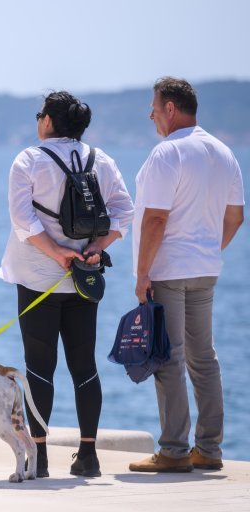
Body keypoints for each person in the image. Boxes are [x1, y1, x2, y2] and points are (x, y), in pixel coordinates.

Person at [0, 91, 134, 478]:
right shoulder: (100, 160)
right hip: (83, 279)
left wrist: (56, 252)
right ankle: (88, 455)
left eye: (40, 114)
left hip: (38, 279)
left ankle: (39, 458)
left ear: (48, 121)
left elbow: (23, 221)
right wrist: (95, 247)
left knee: (39, 367)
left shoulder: (29, 160)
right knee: (84, 365)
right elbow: (125, 210)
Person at [129, 77, 244, 473]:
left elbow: (156, 219)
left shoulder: (168, 154)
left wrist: (142, 273)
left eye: (155, 107)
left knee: (169, 359)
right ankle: (209, 449)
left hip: (169, 270)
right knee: (204, 359)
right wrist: (209, 249)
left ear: (171, 109)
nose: (152, 114)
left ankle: (175, 451)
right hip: (205, 270)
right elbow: (236, 215)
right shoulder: (224, 152)